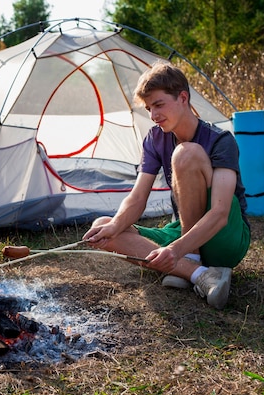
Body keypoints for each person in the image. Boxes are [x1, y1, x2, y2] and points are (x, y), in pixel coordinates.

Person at [82, 62, 250, 310]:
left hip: (224, 237)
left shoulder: (221, 140)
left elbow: (221, 213)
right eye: (149, 108)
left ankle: (188, 258)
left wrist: (176, 249)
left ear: (183, 97)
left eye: (159, 105)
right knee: (103, 228)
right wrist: (116, 225)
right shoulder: (155, 137)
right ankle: (198, 274)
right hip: (182, 230)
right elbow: (138, 197)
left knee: (186, 154)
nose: (153, 115)